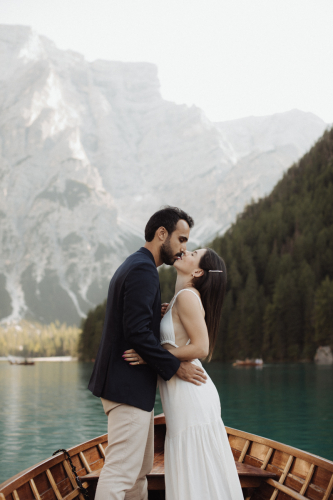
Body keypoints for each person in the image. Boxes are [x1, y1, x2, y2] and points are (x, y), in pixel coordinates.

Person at [88, 206, 207, 500]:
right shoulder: (143, 270)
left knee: (139, 472)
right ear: (162, 234)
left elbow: (135, 321)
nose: (183, 249)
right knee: (120, 473)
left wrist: (157, 313)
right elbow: (137, 332)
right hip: (127, 386)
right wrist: (176, 367)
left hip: (130, 388)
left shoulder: (136, 264)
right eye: (181, 240)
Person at [124, 248, 244, 500]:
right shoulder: (182, 298)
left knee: (196, 465)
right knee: (192, 464)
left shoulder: (189, 295)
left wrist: (151, 356)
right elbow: (176, 340)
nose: (185, 251)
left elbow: (201, 347)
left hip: (191, 392)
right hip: (182, 393)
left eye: (194, 252)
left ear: (198, 271)